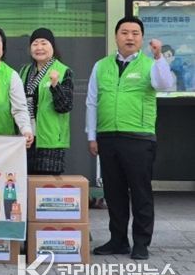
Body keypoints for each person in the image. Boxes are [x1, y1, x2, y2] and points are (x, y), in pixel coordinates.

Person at [87, 16, 174, 260]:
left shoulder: (150, 64)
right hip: (108, 137)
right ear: (116, 36)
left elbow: (165, 85)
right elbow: (92, 102)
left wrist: (158, 57)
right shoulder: (101, 66)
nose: (130, 37)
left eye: (135, 33)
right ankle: (118, 240)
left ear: (142, 38)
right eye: (124, 32)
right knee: (114, 193)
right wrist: (92, 136)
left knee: (140, 192)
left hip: (139, 138)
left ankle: (141, 243)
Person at [19, 28, 74, 175]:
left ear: (52, 47)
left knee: (46, 185)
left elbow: (65, 106)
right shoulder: (24, 71)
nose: (39, 48)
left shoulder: (63, 71)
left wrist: (55, 85)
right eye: (35, 44)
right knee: (25, 182)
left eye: (44, 43)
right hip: (27, 138)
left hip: (50, 141)